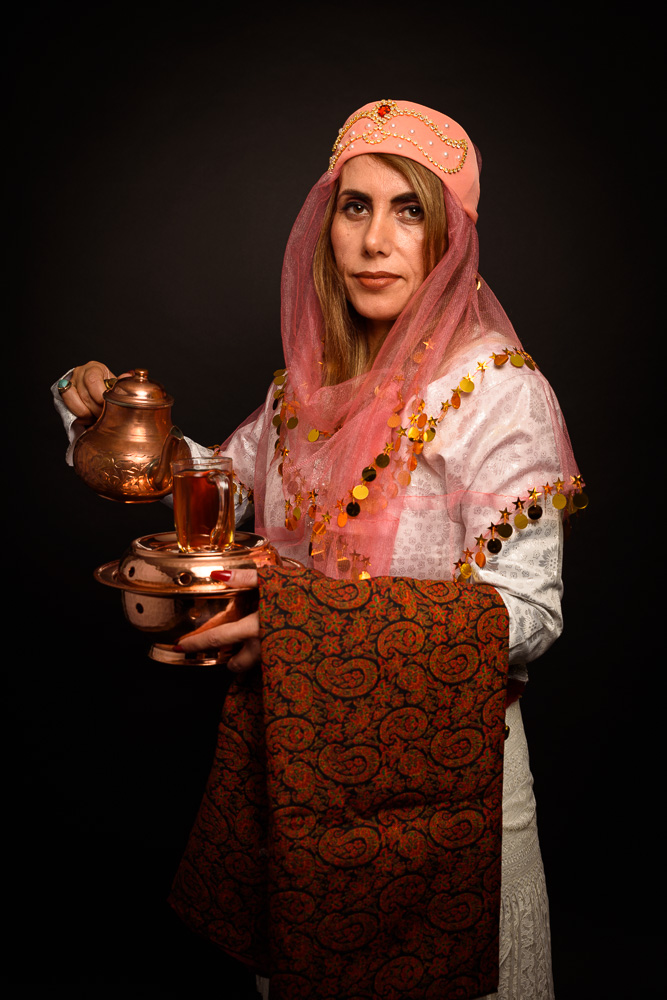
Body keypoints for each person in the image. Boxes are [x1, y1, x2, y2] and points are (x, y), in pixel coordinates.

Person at [55, 100, 585, 999]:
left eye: (409, 210)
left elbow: (528, 614)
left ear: (451, 236)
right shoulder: (305, 392)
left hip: (451, 789)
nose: (375, 240)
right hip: (305, 777)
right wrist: (112, 418)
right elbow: (211, 489)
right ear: (325, 225)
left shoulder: (498, 392)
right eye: (355, 207)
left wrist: (304, 630)